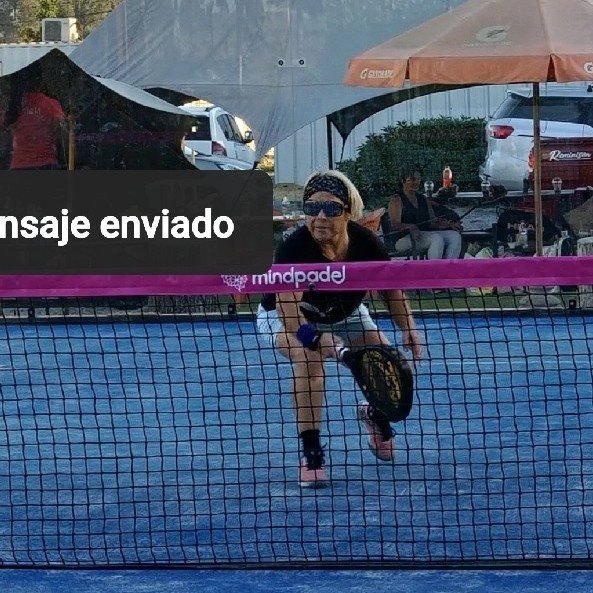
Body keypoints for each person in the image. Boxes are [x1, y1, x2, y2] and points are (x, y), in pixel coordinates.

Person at [257, 170, 423, 488]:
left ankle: (374, 414)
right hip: (286, 317)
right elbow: (289, 313)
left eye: (331, 208)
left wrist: (409, 329)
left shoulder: (366, 243)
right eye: (312, 207)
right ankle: (311, 453)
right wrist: (314, 338)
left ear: (348, 212)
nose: (320, 216)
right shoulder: (293, 249)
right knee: (308, 359)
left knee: (385, 360)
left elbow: (391, 290)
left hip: (346, 313)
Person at [388, 168, 462, 259]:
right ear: (403, 181)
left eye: (418, 179)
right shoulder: (396, 199)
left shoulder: (423, 198)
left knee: (455, 236)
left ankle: (448, 266)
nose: (415, 182)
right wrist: (410, 226)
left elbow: (432, 222)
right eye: (412, 180)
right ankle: (433, 267)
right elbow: (394, 225)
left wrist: (449, 224)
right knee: (436, 239)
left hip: (424, 235)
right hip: (402, 239)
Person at [5, 64, 66, 170]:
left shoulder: (12, 108)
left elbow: (6, 140)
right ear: (39, 79)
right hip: (46, 166)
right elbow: (63, 137)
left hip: (18, 167)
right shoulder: (50, 105)